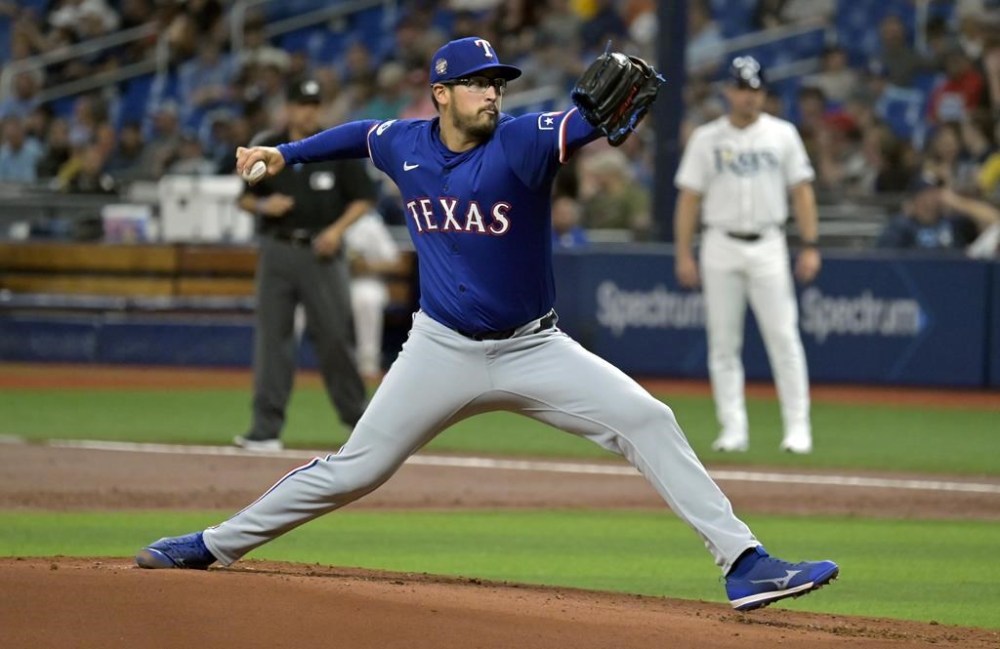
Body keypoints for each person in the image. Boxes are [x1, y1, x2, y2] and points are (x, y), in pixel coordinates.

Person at [135, 37, 839, 612]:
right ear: (440, 93)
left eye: (497, 82)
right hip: (439, 348)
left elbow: (580, 124)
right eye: (476, 82)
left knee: (648, 418)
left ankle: (745, 563)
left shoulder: (524, 141)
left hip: (536, 347)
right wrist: (285, 153)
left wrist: (599, 117)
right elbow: (357, 136)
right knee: (356, 468)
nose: (492, 93)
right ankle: (214, 542)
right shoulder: (404, 143)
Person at [673, 55, 821, 455]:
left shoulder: (783, 134)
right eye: (742, 88)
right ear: (727, 91)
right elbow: (689, 198)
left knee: (784, 338)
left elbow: (802, 191)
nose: (749, 97)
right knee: (723, 344)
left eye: (755, 90)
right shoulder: (707, 138)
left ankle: (797, 429)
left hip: (769, 242)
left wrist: (810, 244)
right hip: (719, 242)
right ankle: (733, 429)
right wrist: (683, 252)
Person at [232, 78, 374, 452]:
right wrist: (264, 206)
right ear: (289, 108)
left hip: (321, 252)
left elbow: (364, 198)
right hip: (278, 249)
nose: (309, 111)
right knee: (272, 340)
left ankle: (364, 427)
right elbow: (244, 198)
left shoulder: (332, 146)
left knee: (335, 340)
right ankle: (265, 429)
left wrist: (337, 231)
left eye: (314, 104)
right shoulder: (270, 143)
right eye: (302, 104)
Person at [343, 208, 402, 380]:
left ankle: (368, 364)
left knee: (366, 298)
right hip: (330, 282)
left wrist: (367, 266)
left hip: (365, 280)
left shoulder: (369, 223)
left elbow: (395, 261)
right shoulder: (323, 218)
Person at [876, 171, 1000, 251]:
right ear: (917, 197)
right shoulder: (902, 226)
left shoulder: (952, 222)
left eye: (937, 191)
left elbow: (995, 221)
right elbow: (885, 262)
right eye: (929, 192)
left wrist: (958, 202)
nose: (936, 196)